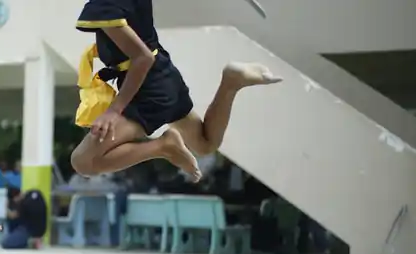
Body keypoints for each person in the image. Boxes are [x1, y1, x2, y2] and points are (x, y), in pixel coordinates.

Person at [70, 0, 282, 183]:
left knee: (84, 161)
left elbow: (142, 58)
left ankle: (164, 146)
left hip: (149, 87)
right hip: (163, 73)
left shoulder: (105, 6)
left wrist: (114, 111)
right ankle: (231, 83)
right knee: (204, 143)